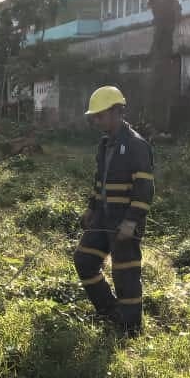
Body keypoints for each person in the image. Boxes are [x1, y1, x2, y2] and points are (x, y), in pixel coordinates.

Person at [74, 86, 154, 336]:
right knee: (84, 260)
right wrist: (91, 208)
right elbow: (100, 181)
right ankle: (109, 312)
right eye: (94, 116)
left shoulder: (136, 145)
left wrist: (131, 221)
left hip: (124, 220)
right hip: (102, 216)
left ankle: (131, 328)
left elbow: (145, 188)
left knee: (125, 274)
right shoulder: (105, 144)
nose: (96, 120)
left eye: (99, 115)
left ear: (115, 112)